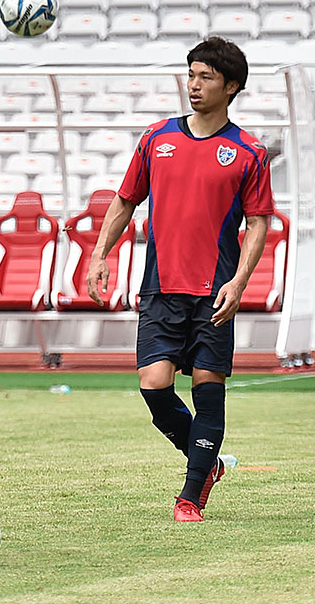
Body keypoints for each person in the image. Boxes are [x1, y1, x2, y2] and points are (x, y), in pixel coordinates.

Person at [85, 37, 274, 522]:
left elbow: (258, 221)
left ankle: (190, 497)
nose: (193, 84)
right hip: (161, 288)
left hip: (215, 290)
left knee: (208, 387)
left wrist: (239, 282)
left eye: (206, 77)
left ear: (231, 87)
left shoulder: (248, 152)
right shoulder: (156, 139)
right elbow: (125, 200)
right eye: (190, 74)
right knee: (154, 385)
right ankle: (206, 462)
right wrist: (99, 255)